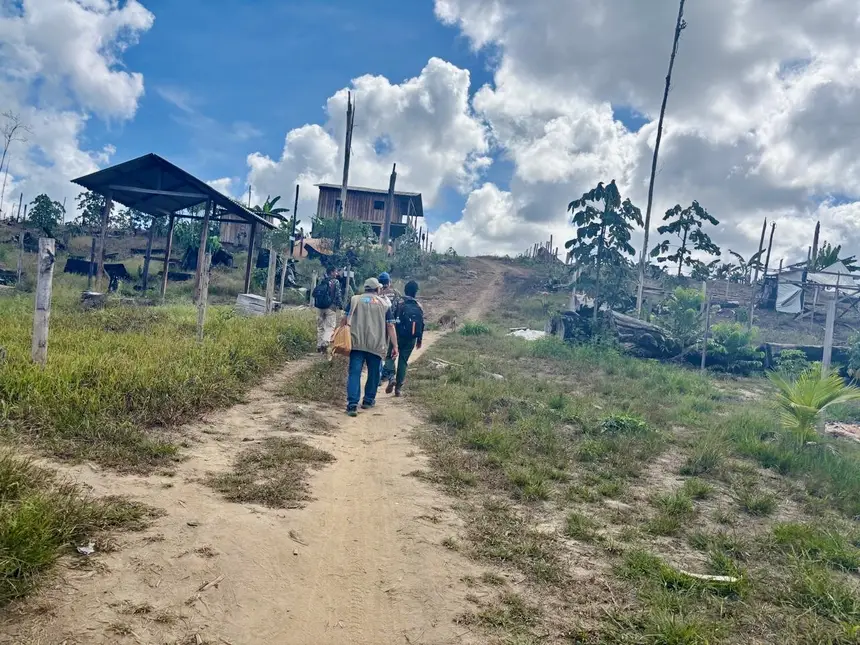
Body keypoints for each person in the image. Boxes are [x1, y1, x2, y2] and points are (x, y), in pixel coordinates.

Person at [342, 277, 398, 417]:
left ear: (365, 288)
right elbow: (390, 326)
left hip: (356, 343)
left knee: (354, 373)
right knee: (374, 374)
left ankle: (352, 404)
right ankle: (368, 400)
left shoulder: (355, 300)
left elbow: (344, 319)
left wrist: (340, 333)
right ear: (377, 289)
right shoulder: (384, 304)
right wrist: (395, 346)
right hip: (376, 345)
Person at [386, 280, 424, 397]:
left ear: (405, 290)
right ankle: (398, 389)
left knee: (390, 357)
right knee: (403, 361)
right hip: (411, 338)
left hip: (397, 335)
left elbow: (391, 319)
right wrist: (419, 339)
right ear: (415, 292)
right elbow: (421, 324)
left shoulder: (399, 302)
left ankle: (391, 377)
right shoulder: (419, 305)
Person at [312, 266, 343, 355]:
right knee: (329, 327)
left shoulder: (321, 279)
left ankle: (319, 345)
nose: (337, 273)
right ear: (332, 272)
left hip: (319, 306)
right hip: (331, 307)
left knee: (320, 326)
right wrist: (341, 306)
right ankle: (324, 344)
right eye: (335, 272)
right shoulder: (335, 282)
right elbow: (338, 295)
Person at [378, 272, 402, 384]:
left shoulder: (377, 293)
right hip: (392, 325)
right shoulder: (396, 293)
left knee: (378, 350)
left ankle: (379, 376)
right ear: (389, 282)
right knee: (392, 349)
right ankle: (391, 375)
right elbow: (399, 308)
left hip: (378, 325)